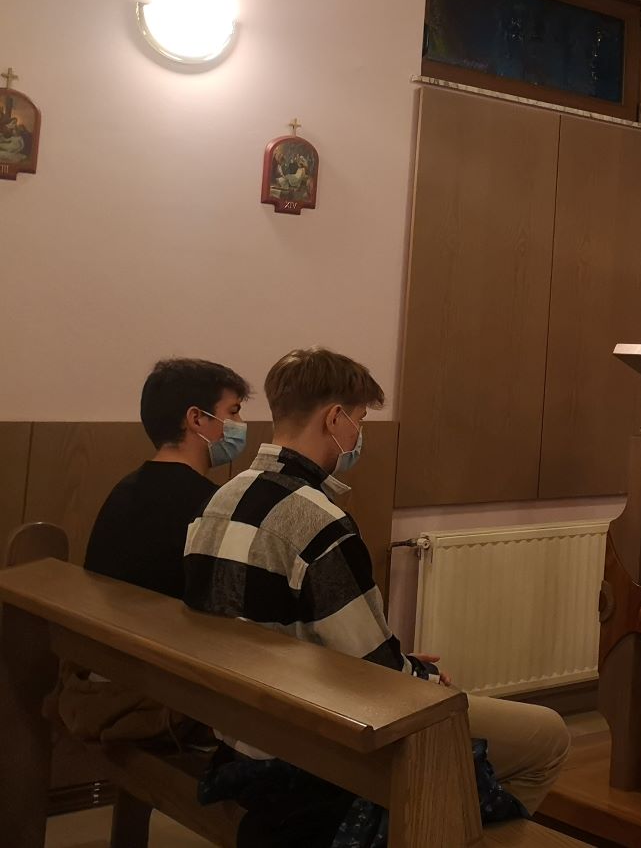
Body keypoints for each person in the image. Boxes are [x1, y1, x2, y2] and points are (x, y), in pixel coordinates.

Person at [183, 348, 568, 818]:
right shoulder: (317, 521)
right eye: (359, 420)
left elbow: (282, 629)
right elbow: (377, 675)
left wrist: (400, 662)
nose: (358, 435)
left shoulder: (219, 500)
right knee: (547, 736)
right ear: (334, 418)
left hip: (238, 723)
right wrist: (424, 677)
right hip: (307, 744)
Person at [62, 358, 250, 743]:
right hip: (158, 694)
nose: (239, 425)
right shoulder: (213, 506)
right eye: (233, 412)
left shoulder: (124, 489)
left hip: (98, 674)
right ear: (196, 419)